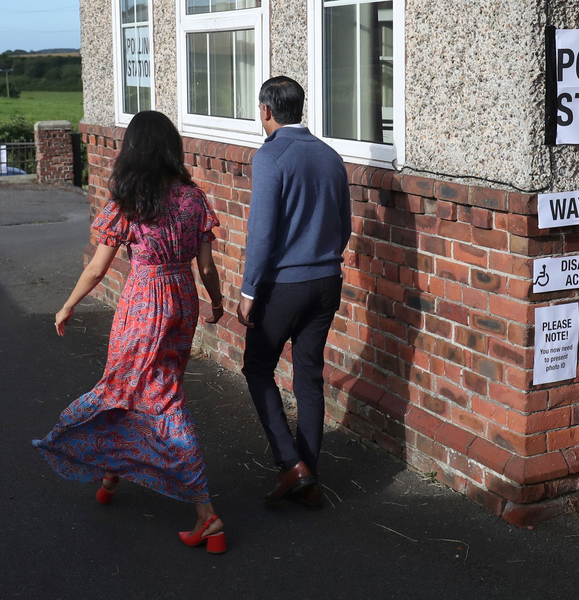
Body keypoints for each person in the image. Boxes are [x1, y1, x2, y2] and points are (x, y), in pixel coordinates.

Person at [33, 111, 227, 553]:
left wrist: (67, 306)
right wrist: (216, 302)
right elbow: (208, 267)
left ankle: (206, 513)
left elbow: (99, 268)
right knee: (145, 386)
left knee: (148, 394)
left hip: (143, 305)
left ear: (133, 150)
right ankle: (111, 473)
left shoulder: (128, 201)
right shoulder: (193, 199)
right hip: (182, 300)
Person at [238, 76, 351, 510]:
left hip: (285, 285)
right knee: (308, 375)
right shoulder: (331, 155)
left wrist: (249, 289)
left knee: (258, 367)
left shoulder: (270, 156)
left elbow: (261, 232)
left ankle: (290, 463)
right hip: (328, 282)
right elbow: (345, 226)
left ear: (266, 111)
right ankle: (308, 475)